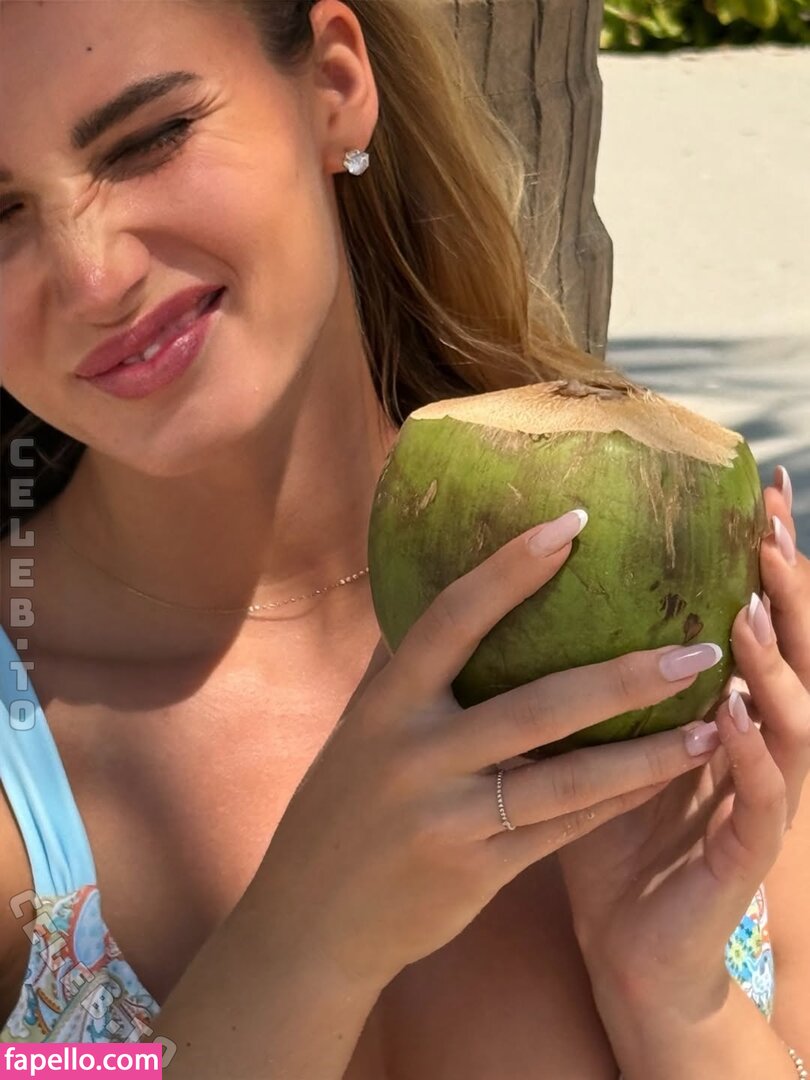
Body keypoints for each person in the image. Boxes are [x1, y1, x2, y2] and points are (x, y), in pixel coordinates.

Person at [1, 0, 808, 1075]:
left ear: (334, 85)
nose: (94, 278)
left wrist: (671, 991)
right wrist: (304, 942)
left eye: (149, 140)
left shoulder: (706, 623)